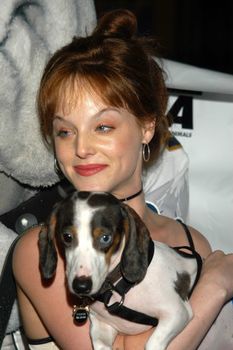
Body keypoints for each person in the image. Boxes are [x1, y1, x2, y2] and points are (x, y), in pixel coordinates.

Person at [12, 9, 233, 350]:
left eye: (103, 126)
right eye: (65, 131)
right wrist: (215, 287)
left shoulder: (191, 243)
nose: (81, 147)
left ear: (146, 127)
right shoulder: (44, 249)